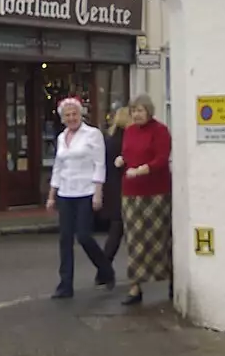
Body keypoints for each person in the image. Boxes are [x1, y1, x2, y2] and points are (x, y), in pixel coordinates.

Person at [45, 97, 113, 298]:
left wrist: (98, 192)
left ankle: (105, 268)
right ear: (62, 118)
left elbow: (100, 164)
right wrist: (51, 196)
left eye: (74, 114)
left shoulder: (92, 135)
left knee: (83, 236)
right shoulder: (61, 138)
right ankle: (65, 284)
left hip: (86, 192)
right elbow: (58, 167)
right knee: (65, 239)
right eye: (67, 115)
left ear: (81, 114)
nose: (72, 118)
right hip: (66, 192)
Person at [117, 94, 172, 306]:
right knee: (134, 239)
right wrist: (122, 159)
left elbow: (161, 158)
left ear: (149, 111)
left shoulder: (160, 131)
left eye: (140, 110)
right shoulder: (130, 131)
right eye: (134, 111)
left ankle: (170, 280)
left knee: (158, 238)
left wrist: (142, 170)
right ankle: (135, 287)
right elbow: (128, 153)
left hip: (155, 193)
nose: (137, 114)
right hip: (131, 192)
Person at [98, 106, 130, 280]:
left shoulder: (109, 139)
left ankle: (103, 269)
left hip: (111, 187)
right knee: (119, 231)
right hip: (122, 188)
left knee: (116, 231)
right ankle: (104, 268)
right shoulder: (124, 140)